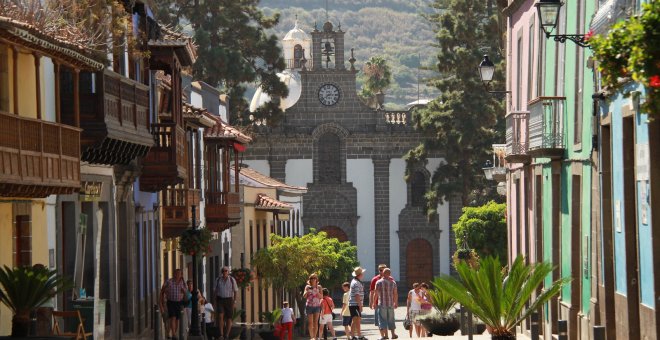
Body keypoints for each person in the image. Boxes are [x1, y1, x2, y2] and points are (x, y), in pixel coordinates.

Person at [160, 269, 187, 340]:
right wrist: (162, 302)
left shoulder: (182, 283)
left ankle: (174, 332)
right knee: (173, 317)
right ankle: (174, 335)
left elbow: (185, 293)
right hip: (170, 302)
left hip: (179, 302)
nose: (178, 275)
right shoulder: (169, 281)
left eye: (179, 274)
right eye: (176, 273)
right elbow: (162, 291)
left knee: (177, 319)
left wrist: (184, 293)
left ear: (181, 275)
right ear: (174, 274)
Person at [213, 266, 238, 339]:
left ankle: (227, 334)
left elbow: (236, 291)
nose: (224, 272)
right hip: (220, 300)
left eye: (226, 271)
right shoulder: (218, 280)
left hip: (229, 300)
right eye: (223, 271)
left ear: (228, 272)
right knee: (220, 316)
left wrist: (234, 301)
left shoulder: (232, 280)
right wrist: (214, 301)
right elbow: (214, 291)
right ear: (221, 272)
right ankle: (221, 334)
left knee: (229, 318)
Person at [374, 268, 398, 340]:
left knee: (382, 319)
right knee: (391, 319)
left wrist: (373, 303)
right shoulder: (393, 283)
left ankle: (384, 336)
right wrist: (395, 302)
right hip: (390, 304)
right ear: (390, 274)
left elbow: (376, 294)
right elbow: (395, 294)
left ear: (383, 273)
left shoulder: (378, 282)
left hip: (382, 304)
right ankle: (393, 335)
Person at [303, 273, 323, 340]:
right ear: (310, 279)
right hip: (309, 306)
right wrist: (307, 291)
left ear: (316, 279)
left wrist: (317, 292)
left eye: (314, 278)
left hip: (317, 306)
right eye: (312, 278)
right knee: (310, 323)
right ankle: (311, 337)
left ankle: (315, 337)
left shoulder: (319, 287)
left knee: (315, 322)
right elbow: (304, 296)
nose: (313, 279)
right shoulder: (307, 287)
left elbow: (321, 297)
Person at [348, 266, 366, 340]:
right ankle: (359, 335)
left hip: (354, 304)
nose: (363, 275)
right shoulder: (356, 283)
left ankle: (352, 336)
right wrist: (360, 305)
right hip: (355, 304)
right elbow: (357, 295)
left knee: (355, 320)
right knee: (357, 319)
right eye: (362, 273)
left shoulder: (355, 281)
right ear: (360, 274)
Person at [369, 264, 387, 329]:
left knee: (387, 321)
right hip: (377, 303)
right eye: (380, 270)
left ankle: (386, 335)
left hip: (387, 303)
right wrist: (371, 302)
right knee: (379, 321)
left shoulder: (390, 279)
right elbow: (371, 292)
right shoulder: (374, 279)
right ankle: (383, 335)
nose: (381, 271)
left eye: (382, 270)